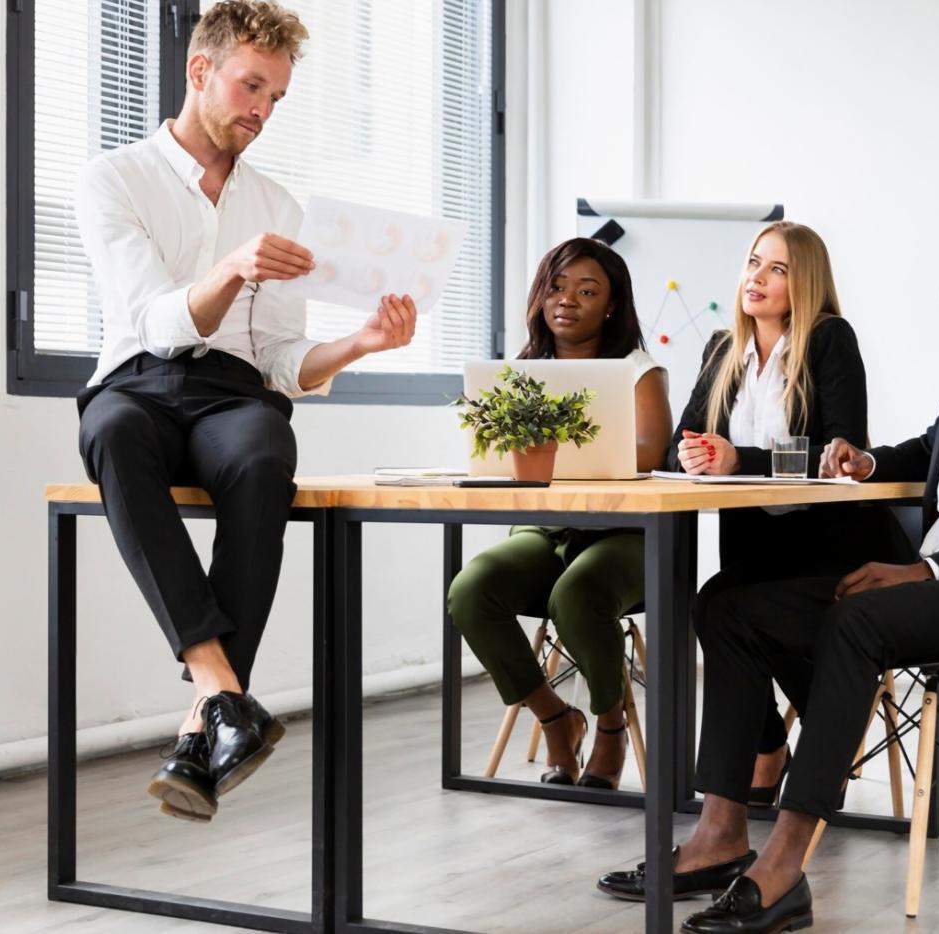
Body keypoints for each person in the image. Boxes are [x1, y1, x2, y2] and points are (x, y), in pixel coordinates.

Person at [599, 224, 939, 932]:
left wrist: (927, 567)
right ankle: (721, 831)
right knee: (728, 609)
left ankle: (783, 869)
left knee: (855, 618)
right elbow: (937, 449)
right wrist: (870, 463)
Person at [75, 1, 418, 823]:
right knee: (114, 433)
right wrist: (230, 269)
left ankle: (207, 719)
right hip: (138, 383)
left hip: (233, 392)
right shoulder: (112, 179)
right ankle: (224, 699)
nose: (261, 111)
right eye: (251, 86)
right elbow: (156, 321)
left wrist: (362, 342)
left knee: (266, 448)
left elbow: (279, 363)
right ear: (201, 71)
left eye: (276, 97)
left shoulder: (278, 205)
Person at [666, 221, 908, 813]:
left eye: (778, 269)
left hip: (833, 544)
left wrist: (737, 458)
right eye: (754, 263)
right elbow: (683, 440)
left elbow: (838, 448)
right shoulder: (722, 349)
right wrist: (695, 453)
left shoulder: (829, 338)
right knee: (717, 604)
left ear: (805, 283)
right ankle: (774, 745)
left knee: (726, 607)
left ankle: (821, 742)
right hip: (754, 541)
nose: (758, 278)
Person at [447, 238, 672, 789]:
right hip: (545, 529)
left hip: (628, 534)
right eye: (556, 286)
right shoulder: (523, 370)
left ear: (612, 305)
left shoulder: (637, 368)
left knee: (579, 593)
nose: (566, 299)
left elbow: (649, 452)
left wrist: (548, 451)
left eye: (587, 290)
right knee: (471, 590)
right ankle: (555, 717)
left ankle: (610, 724)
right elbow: (494, 454)